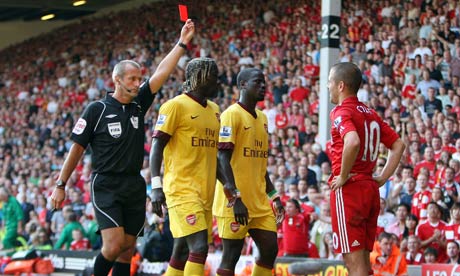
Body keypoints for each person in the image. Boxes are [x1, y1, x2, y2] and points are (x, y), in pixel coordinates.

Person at [49, 19, 195, 276]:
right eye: (132, 78)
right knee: (113, 245)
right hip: (106, 184)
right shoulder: (97, 109)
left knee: (128, 249)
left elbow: (161, 72)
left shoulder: (139, 103)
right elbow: (76, 148)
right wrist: (61, 185)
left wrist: (182, 43)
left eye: (139, 78)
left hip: (133, 184)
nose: (138, 83)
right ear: (117, 80)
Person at [327, 62, 406, 276]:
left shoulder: (341, 112)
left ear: (341, 85)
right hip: (370, 187)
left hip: (350, 189)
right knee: (363, 260)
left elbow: (351, 141)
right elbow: (398, 145)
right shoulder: (370, 113)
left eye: (329, 82)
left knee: (354, 263)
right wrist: (381, 177)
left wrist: (343, 176)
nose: (328, 87)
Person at [149, 57, 220, 275]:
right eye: (213, 76)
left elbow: (214, 155)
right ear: (199, 78)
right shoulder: (174, 106)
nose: (218, 81)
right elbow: (156, 147)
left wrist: (229, 187)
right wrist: (156, 186)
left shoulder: (215, 110)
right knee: (198, 248)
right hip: (181, 190)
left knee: (180, 251)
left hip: (206, 192)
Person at [213, 68, 284, 276]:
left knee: (270, 249)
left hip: (259, 202)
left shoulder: (262, 118)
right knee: (231, 255)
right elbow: (221, 157)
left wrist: (275, 196)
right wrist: (236, 198)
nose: (263, 86)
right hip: (235, 201)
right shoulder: (230, 115)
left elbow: (260, 163)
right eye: (257, 82)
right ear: (243, 85)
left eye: (264, 83)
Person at [0, 186, 24, 250]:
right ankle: (21, 247)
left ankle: (12, 254)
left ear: (4, 195)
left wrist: (20, 227)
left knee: (6, 241)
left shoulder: (13, 200)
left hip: (14, 226)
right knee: (11, 241)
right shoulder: (4, 204)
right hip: (8, 227)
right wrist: (3, 226)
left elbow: (19, 214)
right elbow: (4, 217)